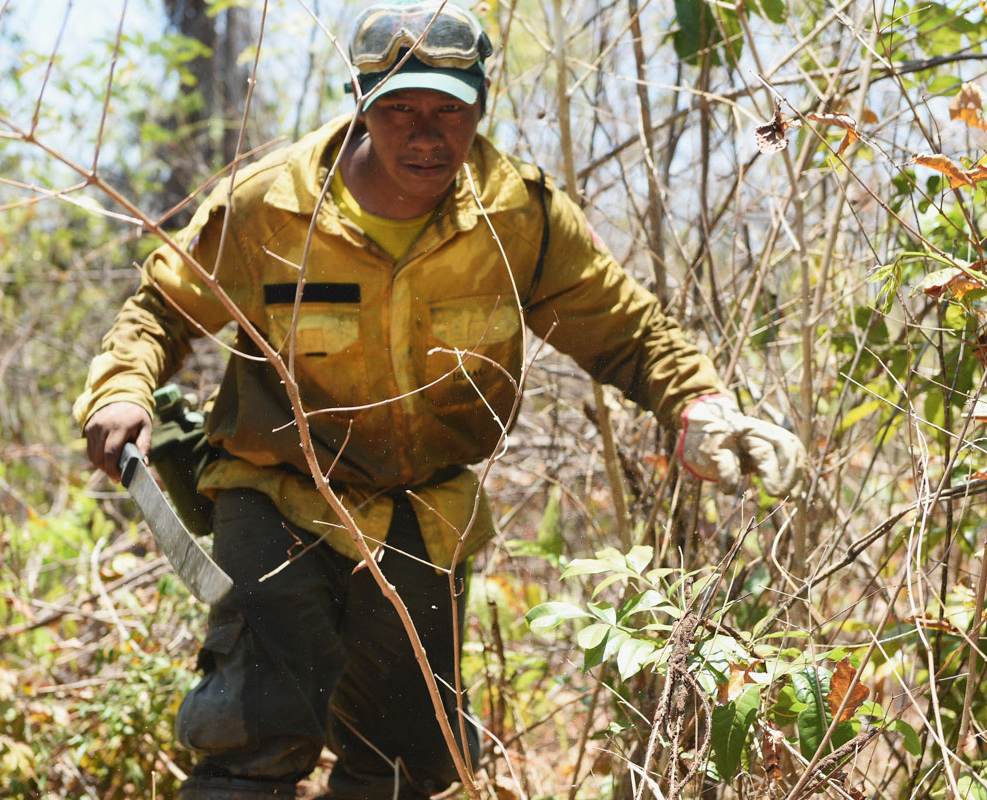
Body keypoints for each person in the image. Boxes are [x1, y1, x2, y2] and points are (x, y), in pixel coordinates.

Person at [74, 2, 805, 797]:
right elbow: (163, 310)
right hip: (275, 493)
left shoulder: (517, 216)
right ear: (362, 106)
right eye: (400, 109)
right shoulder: (270, 206)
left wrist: (698, 406)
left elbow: (625, 331)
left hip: (421, 511)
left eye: (448, 111)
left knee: (409, 765)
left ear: (481, 107)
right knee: (256, 734)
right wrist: (120, 391)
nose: (425, 135)